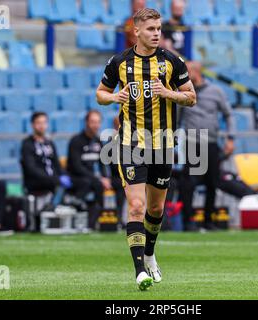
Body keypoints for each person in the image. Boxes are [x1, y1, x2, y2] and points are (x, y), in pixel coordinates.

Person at [96, 8, 196, 290]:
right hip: (130, 145)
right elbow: (100, 94)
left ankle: (150, 254)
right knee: (137, 206)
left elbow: (191, 97)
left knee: (156, 207)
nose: (156, 34)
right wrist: (114, 96)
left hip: (163, 146)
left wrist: (169, 93)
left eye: (159, 29)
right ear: (137, 30)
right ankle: (140, 271)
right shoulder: (119, 62)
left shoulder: (172, 62)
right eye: (151, 29)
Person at [178, 61, 232, 231]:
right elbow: (177, 118)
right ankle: (188, 221)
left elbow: (228, 115)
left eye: (186, 73)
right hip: (192, 144)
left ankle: (209, 220)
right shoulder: (183, 93)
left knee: (212, 183)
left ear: (196, 72)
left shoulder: (216, 92)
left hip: (211, 143)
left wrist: (231, 138)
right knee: (189, 184)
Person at [20, 112, 71, 222]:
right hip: (35, 181)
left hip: (52, 180)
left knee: (74, 182)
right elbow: (31, 168)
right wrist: (52, 178)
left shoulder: (50, 143)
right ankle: (48, 211)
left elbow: (57, 164)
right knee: (58, 183)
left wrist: (65, 175)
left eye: (44, 122)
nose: (41, 125)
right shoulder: (27, 144)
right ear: (33, 125)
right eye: (38, 123)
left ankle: (68, 210)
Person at [67, 110, 111, 230]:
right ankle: (77, 211)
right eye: (92, 122)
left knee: (105, 184)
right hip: (76, 177)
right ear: (86, 123)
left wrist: (105, 178)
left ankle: (98, 222)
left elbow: (102, 163)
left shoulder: (98, 141)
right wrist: (97, 178)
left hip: (91, 178)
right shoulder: (76, 141)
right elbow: (76, 166)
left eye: (97, 122)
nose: (95, 125)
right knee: (92, 183)